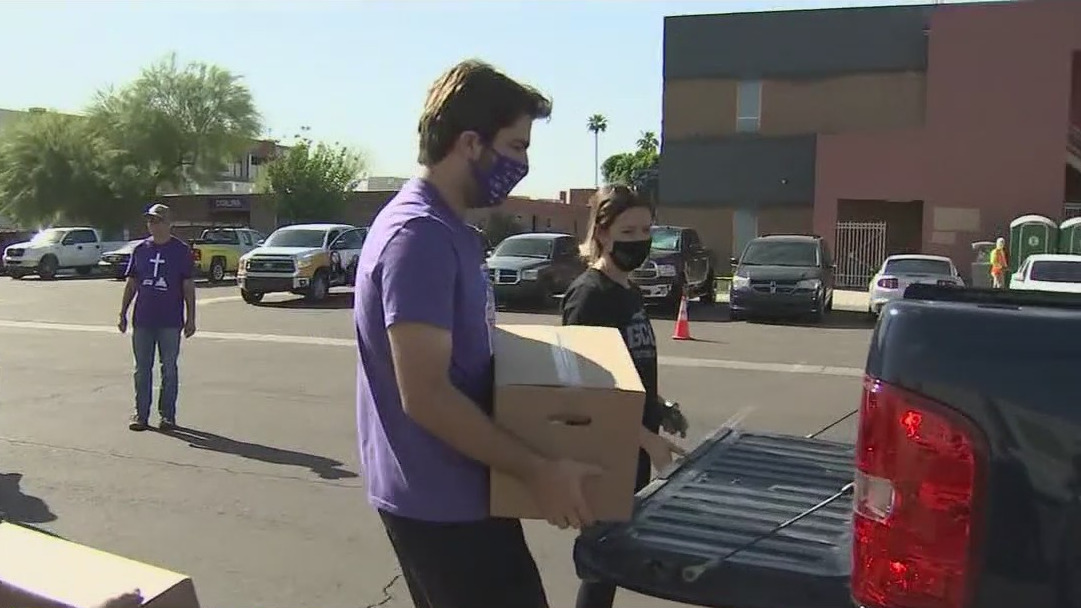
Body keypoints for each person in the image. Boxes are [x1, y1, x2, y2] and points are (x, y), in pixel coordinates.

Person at [353, 59, 600, 608]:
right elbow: (427, 395)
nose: (524, 162)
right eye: (515, 146)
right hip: (442, 505)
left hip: (463, 494)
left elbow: (465, 356)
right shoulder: (419, 237)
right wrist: (539, 470)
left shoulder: (447, 230)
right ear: (469, 142)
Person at [561, 185, 688, 608]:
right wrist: (646, 438)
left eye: (646, 229)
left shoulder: (628, 293)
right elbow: (583, 391)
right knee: (603, 564)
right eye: (628, 230)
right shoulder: (589, 297)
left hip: (630, 450)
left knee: (610, 564)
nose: (639, 240)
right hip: (604, 455)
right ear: (602, 232)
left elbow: (625, 372)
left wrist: (660, 407)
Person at [117, 203, 196, 432]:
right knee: (142, 368)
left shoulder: (180, 251)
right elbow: (132, 282)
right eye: (150, 221)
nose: (153, 225)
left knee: (169, 368)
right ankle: (141, 414)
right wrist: (122, 313)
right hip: (143, 319)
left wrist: (191, 318)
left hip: (170, 320)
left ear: (169, 223)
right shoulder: (141, 249)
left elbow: (188, 285)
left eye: (158, 220)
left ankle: (167, 416)